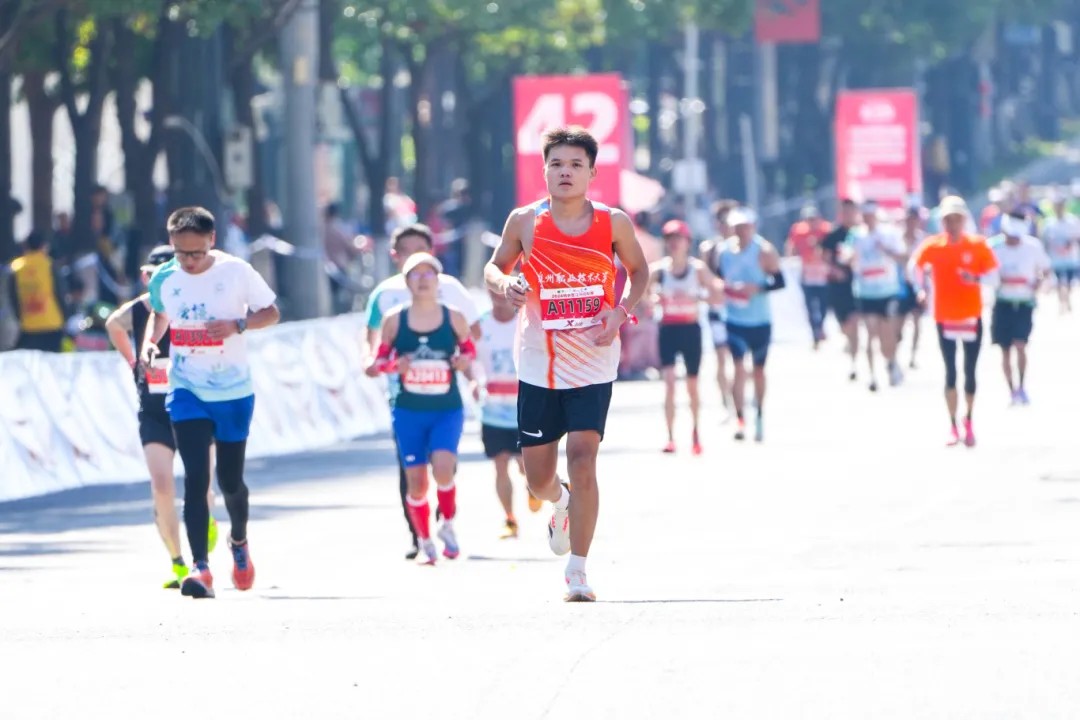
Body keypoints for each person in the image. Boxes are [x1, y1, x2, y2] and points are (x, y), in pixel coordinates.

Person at [484, 125, 649, 602]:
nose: (565, 172)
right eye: (556, 164)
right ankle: (560, 503)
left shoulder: (613, 223)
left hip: (593, 359)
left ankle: (578, 571)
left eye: (576, 164)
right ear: (544, 171)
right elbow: (494, 267)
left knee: (582, 458)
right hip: (538, 362)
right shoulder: (524, 221)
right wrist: (506, 284)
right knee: (537, 480)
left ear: (592, 173)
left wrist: (620, 312)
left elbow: (639, 271)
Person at [142, 206, 281, 599]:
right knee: (196, 478)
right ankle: (200, 567)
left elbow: (271, 312)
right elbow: (160, 315)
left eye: (197, 253)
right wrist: (151, 344)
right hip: (186, 388)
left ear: (212, 241)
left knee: (230, 481)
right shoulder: (166, 277)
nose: (189, 261)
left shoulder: (236, 271)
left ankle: (239, 541)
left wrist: (238, 324)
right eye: (181, 253)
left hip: (233, 391)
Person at [105, 245, 219, 588]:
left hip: (195, 407)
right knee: (162, 485)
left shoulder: (194, 305)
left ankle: (204, 529)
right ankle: (178, 562)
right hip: (155, 412)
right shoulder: (140, 309)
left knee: (201, 483)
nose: (156, 284)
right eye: (151, 277)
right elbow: (113, 324)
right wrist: (133, 361)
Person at [365, 223, 481, 560]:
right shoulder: (393, 319)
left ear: (438, 279)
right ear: (406, 281)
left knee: (444, 468)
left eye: (429, 273)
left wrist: (465, 366)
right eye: (416, 274)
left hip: (446, 407)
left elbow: (469, 349)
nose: (423, 279)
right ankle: (424, 539)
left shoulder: (454, 316)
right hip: (407, 409)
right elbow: (378, 361)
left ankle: (447, 523)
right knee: (415, 481)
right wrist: (394, 366)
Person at [909, 196, 998, 447]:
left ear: (964, 220)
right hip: (944, 316)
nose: (952, 224)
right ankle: (952, 424)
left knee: (970, 370)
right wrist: (920, 289)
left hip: (971, 315)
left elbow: (994, 277)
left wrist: (975, 279)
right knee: (950, 371)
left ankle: (968, 419)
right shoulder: (933, 245)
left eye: (957, 219)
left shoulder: (977, 245)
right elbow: (914, 267)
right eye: (948, 219)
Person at [472, 287, 543, 538]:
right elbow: (470, 358)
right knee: (500, 463)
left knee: (525, 465)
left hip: (523, 407)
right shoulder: (479, 325)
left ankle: (533, 488)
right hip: (492, 408)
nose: (499, 297)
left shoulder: (527, 321)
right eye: (494, 292)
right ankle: (510, 519)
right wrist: (473, 380)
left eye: (504, 292)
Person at [649, 219, 721, 454]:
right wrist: (655, 300)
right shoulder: (658, 270)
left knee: (692, 386)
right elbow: (640, 296)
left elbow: (718, 294)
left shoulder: (697, 269)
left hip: (690, 329)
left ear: (687, 242)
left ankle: (695, 432)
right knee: (669, 384)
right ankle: (670, 437)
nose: (674, 243)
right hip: (668, 329)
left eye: (678, 238)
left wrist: (698, 297)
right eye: (670, 239)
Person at [717, 208, 784, 442]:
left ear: (753, 227)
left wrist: (758, 288)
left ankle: (759, 415)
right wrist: (727, 289)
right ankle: (739, 419)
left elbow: (780, 281)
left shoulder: (764, 250)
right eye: (737, 227)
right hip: (734, 319)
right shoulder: (724, 252)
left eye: (745, 227)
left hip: (760, 320)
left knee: (758, 371)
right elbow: (717, 279)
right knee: (738, 368)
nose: (741, 231)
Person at [989, 213, 1051, 405]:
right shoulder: (993, 247)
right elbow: (986, 273)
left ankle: (1022, 387)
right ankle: (1011, 390)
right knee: (1005, 350)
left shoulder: (1033, 246)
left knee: (1021, 345)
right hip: (1003, 303)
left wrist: (1038, 283)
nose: (1013, 240)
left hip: (1024, 303)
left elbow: (1045, 269)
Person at [849, 201, 907, 391]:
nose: (868, 219)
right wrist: (850, 258)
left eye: (871, 215)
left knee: (887, 334)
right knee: (870, 332)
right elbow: (846, 257)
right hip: (865, 292)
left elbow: (902, 257)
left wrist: (885, 250)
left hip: (887, 292)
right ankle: (872, 376)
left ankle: (891, 361)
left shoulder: (889, 233)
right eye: (865, 215)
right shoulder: (856, 235)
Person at [699, 200, 737, 413]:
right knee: (721, 357)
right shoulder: (709, 248)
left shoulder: (743, 248)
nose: (726, 225)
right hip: (717, 309)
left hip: (739, 310)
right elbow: (705, 278)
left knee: (739, 358)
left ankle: (737, 396)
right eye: (722, 221)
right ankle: (726, 401)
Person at [821, 199, 860, 380]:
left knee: (854, 322)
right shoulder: (833, 235)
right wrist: (835, 270)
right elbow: (825, 258)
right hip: (838, 287)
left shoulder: (861, 233)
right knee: (844, 324)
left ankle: (854, 363)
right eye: (845, 211)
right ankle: (849, 341)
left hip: (858, 286)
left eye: (851, 211)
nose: (848, 215)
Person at [9, 231, 67, 352]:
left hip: (28, 327)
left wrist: (20, 317)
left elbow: (13, 298)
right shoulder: (49, 265)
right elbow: (60, 293)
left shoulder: (16, 267)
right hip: (52, 324)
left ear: (26, 246)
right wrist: (66, 316)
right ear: (43, 246)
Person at [785, 204, 833, 349]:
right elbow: (791, 246)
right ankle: (815, 333)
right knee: (810, 306)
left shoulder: (826, 230)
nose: (812, 222)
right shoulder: (799, 231)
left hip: (823, 274)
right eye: (809, 219)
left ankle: (820, 325)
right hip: (807, 274)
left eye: (813, 219)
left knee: (824, 305)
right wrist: (791, 257)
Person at [1041, 194, 1080, 314]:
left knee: (1068, 282)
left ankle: (1067, 299)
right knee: (1059, 282)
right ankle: (1061, 302)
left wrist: (1071, 243)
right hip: (1055, 259)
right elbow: (1045, 241)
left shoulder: (1073, 221)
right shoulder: (1049, 223)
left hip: (1070, 258)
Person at [898, 207, 926, 368]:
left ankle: (913, 355)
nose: (911, 223)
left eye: (914, 220)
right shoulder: (898, 239)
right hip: (900, 286)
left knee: (916, 321)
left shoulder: (922, 240)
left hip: (916, 286)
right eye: (909, 220)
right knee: (898, 323)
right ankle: (896, 350)